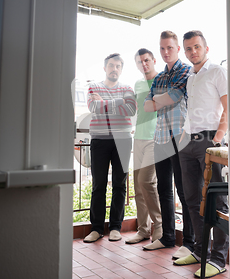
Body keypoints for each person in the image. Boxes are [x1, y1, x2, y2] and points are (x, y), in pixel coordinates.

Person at [174, 30, 229, 278]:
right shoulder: (190, 78)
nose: (192, 51)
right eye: (188, 48)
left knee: (217, 201)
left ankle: (218, 259)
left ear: (206, 48)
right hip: (189, 143)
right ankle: (199, 251)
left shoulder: (217, 71)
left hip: (210, 141)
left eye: (196, 47)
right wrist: (185, 137)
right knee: (192, 198)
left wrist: (216, 141)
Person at [142, 30, 195, 259]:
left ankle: (191, 242)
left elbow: (173, 97)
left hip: (179, 137)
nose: (165, 52)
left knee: (185, 190)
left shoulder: (186, 70)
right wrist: (159, 99)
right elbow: (146, 106)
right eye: (162, 48)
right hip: (161, 137)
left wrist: (158, 100)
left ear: (178, 49)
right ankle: (168, 237)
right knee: (164, 188)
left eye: (170, 48)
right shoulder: (159, 77)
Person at [83, 53, 137, 243]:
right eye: (112, 66)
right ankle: (96, 229)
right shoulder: (94, 86)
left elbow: (131, 110)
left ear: (121, 69)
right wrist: (120, 101)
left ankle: (115, 227)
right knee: (99, 185)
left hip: (122, 140)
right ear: (105, 67)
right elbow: (93, 107)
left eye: (118, 66)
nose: (115, 69)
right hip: (99, 140)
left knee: (120, 185)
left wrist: (105, 103)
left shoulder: (127, 88)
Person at [125, 48, 163, 244]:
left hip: (154, 139)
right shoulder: (138, 83)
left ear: (153, 60)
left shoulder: (162, 80)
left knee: (147, 182)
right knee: (138, 186)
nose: (144, 64)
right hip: (138, 138)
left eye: (147, 60)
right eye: (140, 62)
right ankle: (143, 229)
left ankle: (159, 226)